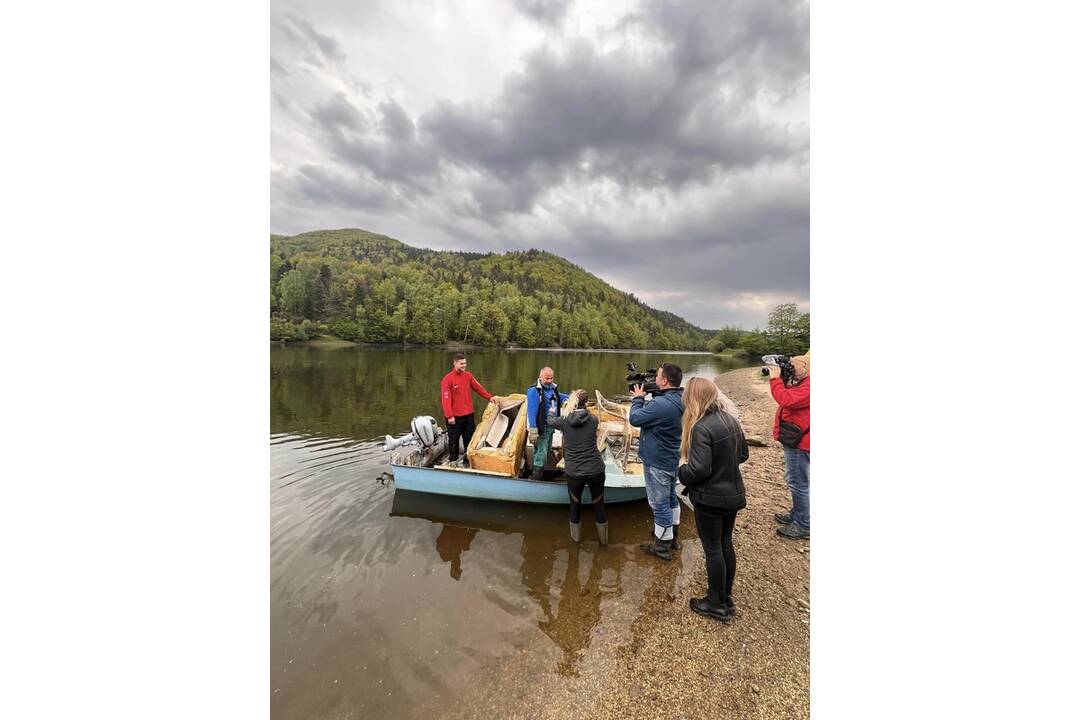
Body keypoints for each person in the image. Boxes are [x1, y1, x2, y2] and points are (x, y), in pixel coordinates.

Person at [677, 377, 749, 622]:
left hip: (711, 499)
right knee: (725, 543)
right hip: (733, 494)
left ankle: (716, 603)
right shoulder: (729, 419)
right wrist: (724, 465)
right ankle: (726, 596)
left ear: (693, 397)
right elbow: (743, 454)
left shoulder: (701, 427)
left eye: (686, 394)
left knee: (713, 549)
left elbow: (698, 470)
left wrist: (681, 472)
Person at [629, 362, 685, 560]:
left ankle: (661, 547)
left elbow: (635, 419)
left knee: (659, 504)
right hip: (670, 458)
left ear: (665, 380)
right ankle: (672, 537)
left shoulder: (661, 405)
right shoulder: (681, 398)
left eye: (658, 377)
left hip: (657, 462)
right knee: (671, 499)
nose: (654, 381)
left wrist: (637, 399)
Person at [546, 389, 608, 544]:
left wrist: (552, 410)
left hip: (575, 472)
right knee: (598, 505)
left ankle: (576, 543)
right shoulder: (593, 420)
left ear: (572, 402)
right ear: (586, 403)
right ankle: (604, 542)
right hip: (596, 469)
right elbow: (584, 419)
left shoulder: (564, 421)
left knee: (575, 505)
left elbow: (550, 421)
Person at [768, 354, 810, 539]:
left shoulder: (811, 385)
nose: (791, 369)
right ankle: (797, 514)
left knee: (797, 482)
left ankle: (804, 525)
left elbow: (786, 400)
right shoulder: (803, 382)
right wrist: (785, 378)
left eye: (794, 366)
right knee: (796, 480)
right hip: (796, 437)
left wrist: (776, 380)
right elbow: (789, 395)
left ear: (806, 366)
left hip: (801, 441)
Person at [439, 353, 499, 466]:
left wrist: (490, 397)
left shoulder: (468, 376)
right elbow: (445, 399)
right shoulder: (447, 379)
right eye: (461, 364)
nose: (464, 366)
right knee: (454, 440)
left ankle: (468, 461)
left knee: (469, 439)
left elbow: (478, 388)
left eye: (465, 363)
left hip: (468, 416)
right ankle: (453, 461)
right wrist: (449, 416)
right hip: (454, 417)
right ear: (455, 363)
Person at [526, 366, 569, 480]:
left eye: (551, 378)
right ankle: (534, 477)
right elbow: (531, 411)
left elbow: (558, 397)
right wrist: (533, 429)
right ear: (540, 377)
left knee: (546, 451)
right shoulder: (534, 391)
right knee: (541, 453)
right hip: (542, 427)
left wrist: (571, 398)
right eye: (547, 378)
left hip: (551, 427)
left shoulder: (552, 388)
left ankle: (540, 473)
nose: (549, 381)